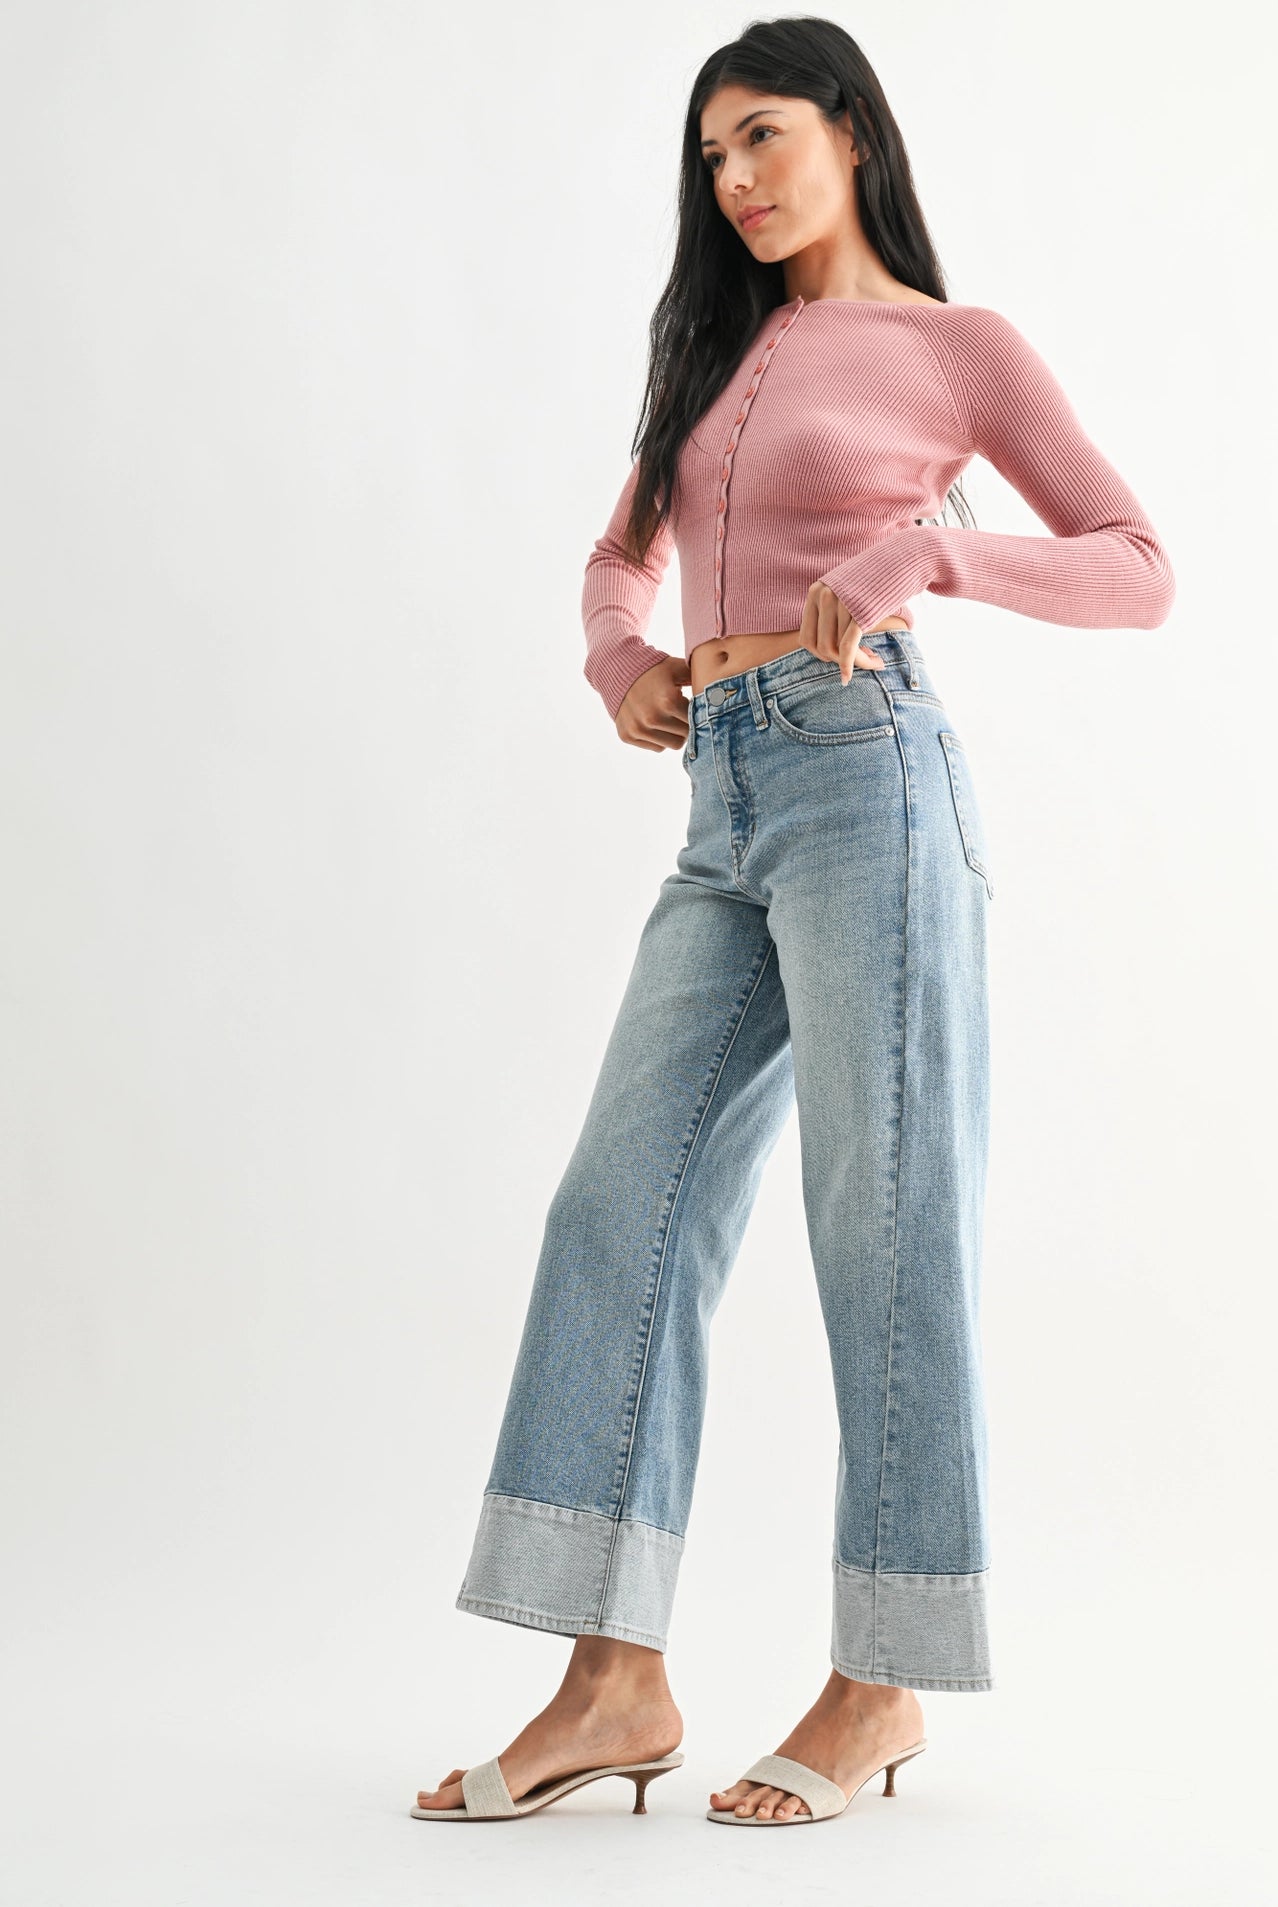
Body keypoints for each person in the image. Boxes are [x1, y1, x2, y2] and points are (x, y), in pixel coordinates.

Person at [413, 15, 1174, 1828]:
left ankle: (880, 1678)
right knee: (616, 1203)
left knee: (881, 1220)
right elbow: (620, 556)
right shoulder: (711, 347)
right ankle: (614, 1677)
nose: (736, 180)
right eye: (711, 157)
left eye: (761, 136)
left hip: (866, 781)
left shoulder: (957, 349)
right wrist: (618, 655)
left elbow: (1137, 568)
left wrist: (933, 553)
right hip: (723, 800)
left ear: (850, 132)